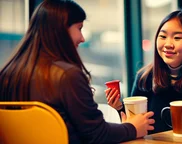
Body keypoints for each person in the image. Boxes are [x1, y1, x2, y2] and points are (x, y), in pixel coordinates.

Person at [0, 0, 155, 143]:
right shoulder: (67, 76)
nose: (82, 38)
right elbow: (97, 134)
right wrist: (133, 127)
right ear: (60, 30)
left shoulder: (8, 74)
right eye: (79, 28)